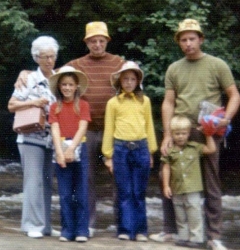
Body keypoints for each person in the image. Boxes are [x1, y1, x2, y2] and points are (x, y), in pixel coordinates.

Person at [14, 22, 124, 237]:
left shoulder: (119, 63)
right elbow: (54, 76)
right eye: (93, 41)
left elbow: (134, 78)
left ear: (107, 42)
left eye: (101, 40)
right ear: (87, 43)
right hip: (82, 133)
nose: (98, 44)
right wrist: (24, 72)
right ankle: (86, 225)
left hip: (113, 129)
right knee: (85, 180)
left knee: (117, 176)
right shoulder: (75, 65)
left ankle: (123, 225)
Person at [149, 19, 240, 250]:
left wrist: (226, 118)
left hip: (207, 130)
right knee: (167, 176)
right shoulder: (174, 68)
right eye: (183, 39)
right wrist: (168, 133)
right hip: (180, 129)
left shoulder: (217, 64)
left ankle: (213, 235)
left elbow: (234, 95)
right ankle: (170, 230)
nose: (188, 43)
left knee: (211, 181)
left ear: (201, 39)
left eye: (192, 38)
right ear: (179, 42)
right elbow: (169, 102)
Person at [8, 36, 61, 238]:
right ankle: (32, 225)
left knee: (47, 181)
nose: (49, 60)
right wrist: (34, 102)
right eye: (45, 57)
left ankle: (45, 225)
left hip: (52, 137)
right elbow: (12, 105)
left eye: (52, 56)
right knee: (33, 181)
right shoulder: (28, 79)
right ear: (37, 58)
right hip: (30, 135)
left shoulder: (58, 78)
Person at [102, 61, 158, 241]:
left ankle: (141, 230)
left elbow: (149, 126)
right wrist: (108, 155)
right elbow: (109, 128)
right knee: (124, 191)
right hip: (120, 149)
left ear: (137, 81)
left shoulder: (145, 101)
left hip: (141, 148)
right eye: (125, 79)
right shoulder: (113, 103)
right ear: (119, 81)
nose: (128, 82)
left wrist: (151, 151)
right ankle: (125, 229)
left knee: (139, 192)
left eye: (132, 79)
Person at [48, 66, 91, 242]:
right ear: (59, 87)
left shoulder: (83, 105)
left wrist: (72, 148)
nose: (67, 88)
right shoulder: (54, 107)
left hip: (79, 145)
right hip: (60, 146)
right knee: (65, 194)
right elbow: (55, 129)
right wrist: (60, 152)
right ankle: (67, 230)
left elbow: (83, 127)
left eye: (70, 85)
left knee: (81, 192)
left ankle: (82, 230)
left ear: (76, 87)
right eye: (63, 85)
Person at [162, 115, 216, 248]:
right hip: (177, 188)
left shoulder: (195, 147)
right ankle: (183, 237)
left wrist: (208, 135)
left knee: (194, 214)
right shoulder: (170, 151)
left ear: (189, 133)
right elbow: (166, 168)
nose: (180, 136)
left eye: (184, 133)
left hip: (193, 188)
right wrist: (166, 186)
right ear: (172, 134)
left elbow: (211, 149)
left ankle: (196, 239)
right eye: (177, 134)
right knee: (180, 215)